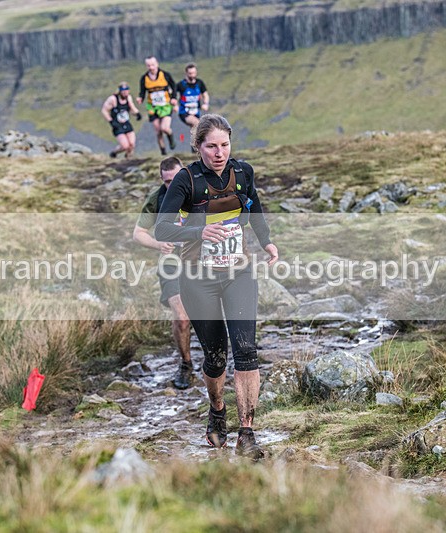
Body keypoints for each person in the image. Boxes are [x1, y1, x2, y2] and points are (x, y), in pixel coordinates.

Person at [154, 114, 279, 460]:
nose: (219, 153)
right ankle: (217, 408)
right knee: (215, 356)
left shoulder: (243, 173)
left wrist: (266, 241)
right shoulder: (185, 181)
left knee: (246, 350)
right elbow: (162, 230)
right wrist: (198, 232)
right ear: (198, 147)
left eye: (225, 145)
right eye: (211, 146)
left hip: (238, 273)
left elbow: (253, 208)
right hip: (197, 279)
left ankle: (248, 434)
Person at [133, 157, 194, 389]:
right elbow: (138, 232)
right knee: (181, 318)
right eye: (167, 181)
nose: (171, 185)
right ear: (162, 180)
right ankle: (186, 364)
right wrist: (158, 244)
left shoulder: (198, 191)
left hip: (200, 262)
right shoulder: (157, 199)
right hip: (170, 264)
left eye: (176, 179)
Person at [136, 56, 177, 155]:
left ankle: (171, 137)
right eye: (148, 65)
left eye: (153, 65)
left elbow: (174, 86)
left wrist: (174, 98)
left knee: (164, 128)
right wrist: (140, 98)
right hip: (152, 107)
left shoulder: (165, 75)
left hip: (165, 106)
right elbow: (142, 91)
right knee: (158, 131)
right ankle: (163, 152)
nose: (151, 67)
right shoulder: (144, 78)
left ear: (157, 64)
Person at [101, 82, 142, 158]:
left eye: (126, 90)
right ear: (119, 91)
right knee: (125, 146)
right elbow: (104, 110)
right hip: (117, 125)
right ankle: (114, 153)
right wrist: (110, 121)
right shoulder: (113, 99)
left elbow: (131, 107)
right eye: (123, 90)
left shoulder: (128, 98)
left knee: (132, 144)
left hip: (126, 123)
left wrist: (137, 114)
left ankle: (128, 159)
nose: (125, 92)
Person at [175, 63, 209, 133]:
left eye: (194, 73)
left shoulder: (199, 83)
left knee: (195, 131)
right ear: (186, 73)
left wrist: (206, 104)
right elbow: (172, 93)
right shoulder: (181, 84)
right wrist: (175, 105)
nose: (192, 75)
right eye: (190, 73)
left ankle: (195, 143)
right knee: (198, 124)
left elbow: (205, 95)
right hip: (184, 112)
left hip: (196, 112)